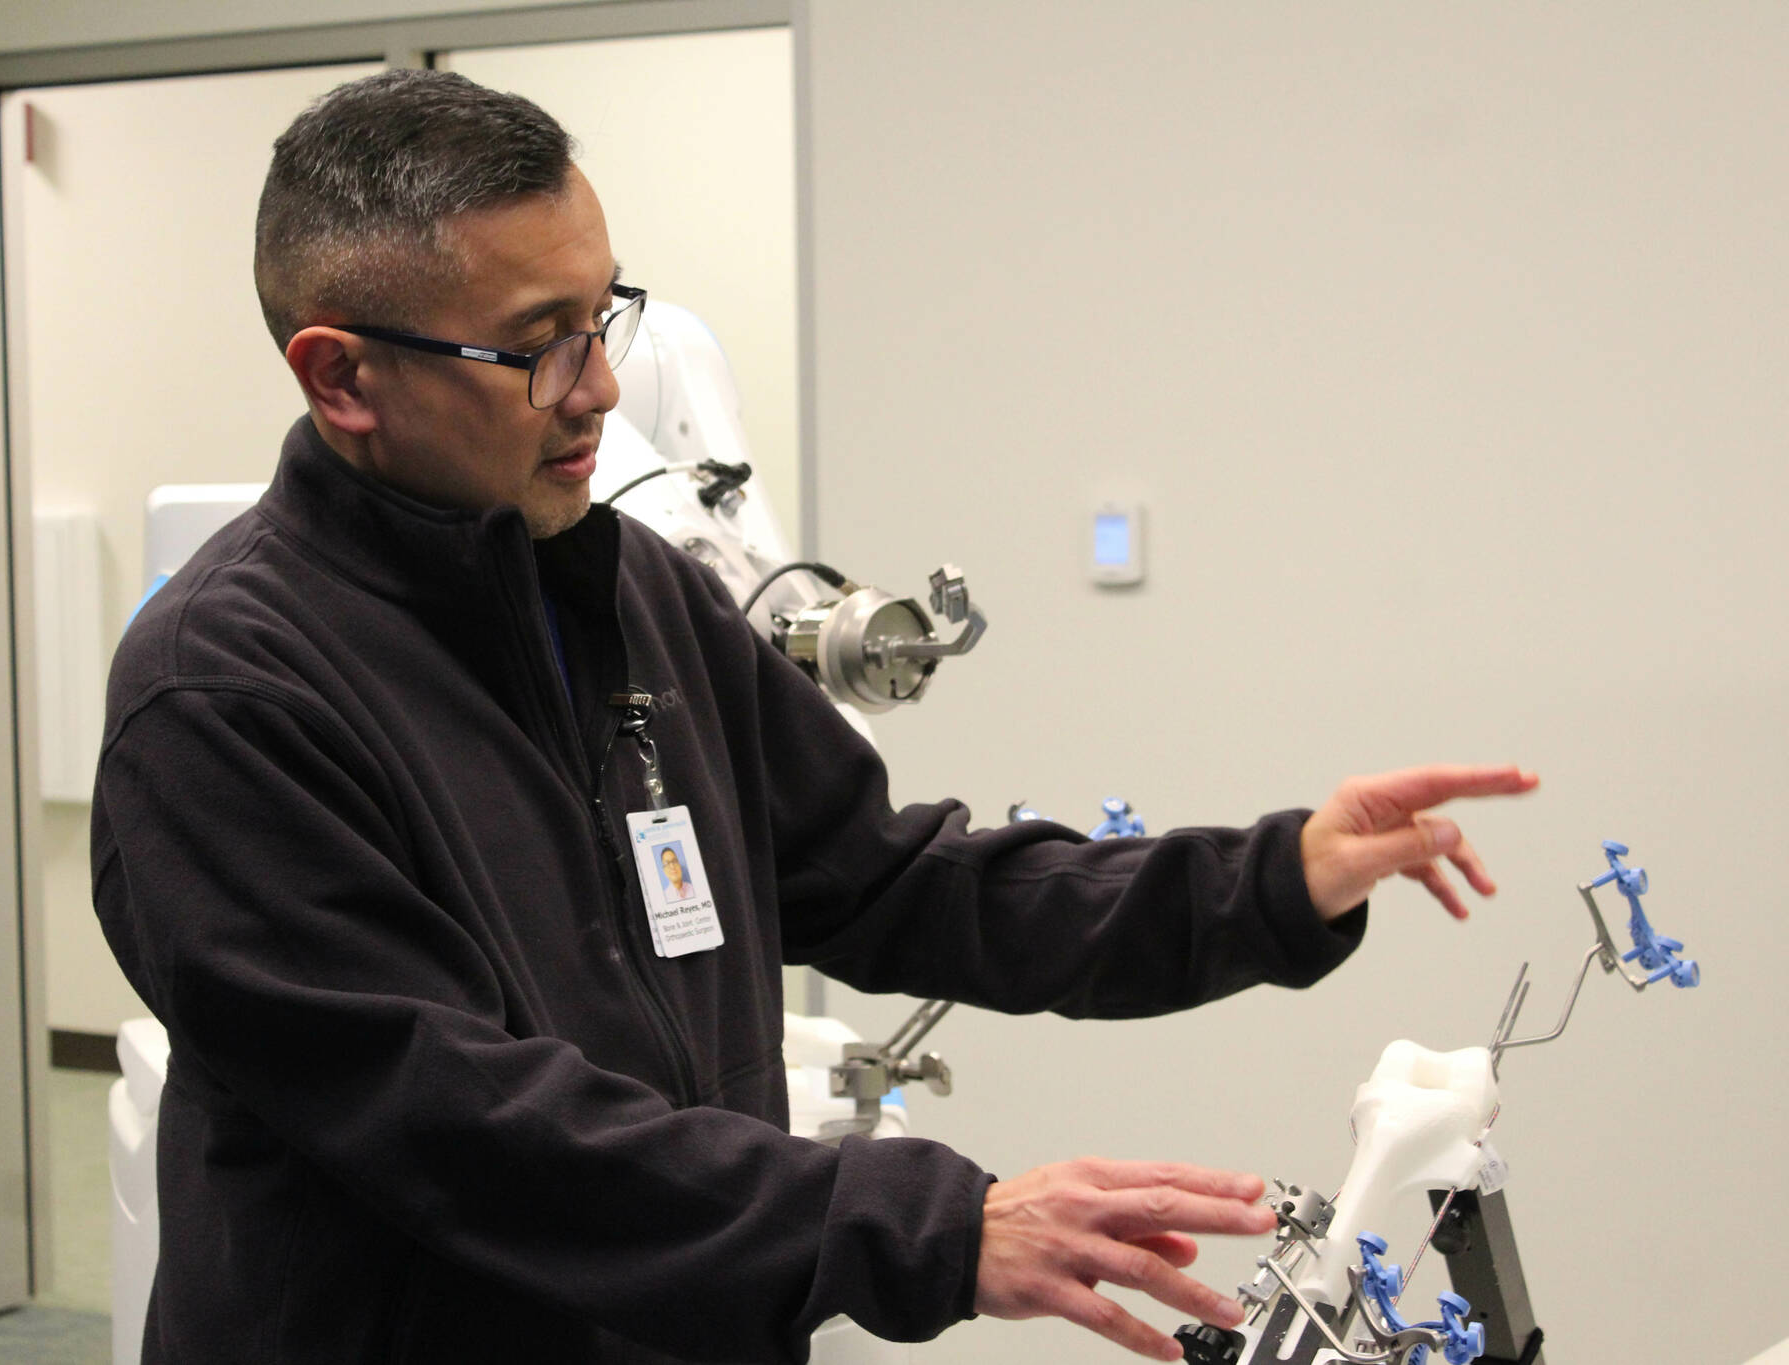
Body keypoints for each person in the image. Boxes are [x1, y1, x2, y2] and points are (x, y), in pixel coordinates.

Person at [91, 69, 1539, 1364]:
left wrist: (1263, 883)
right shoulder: (222, 700)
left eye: (605, 320)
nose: (598, 390)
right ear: (344, 376)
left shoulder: (627, 592)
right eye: (538, 343)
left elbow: (895, 876)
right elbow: (456, 1122)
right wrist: (921, 1220)